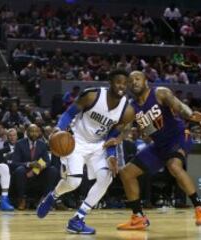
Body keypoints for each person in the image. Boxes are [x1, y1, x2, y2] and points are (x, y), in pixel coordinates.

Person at [36, 69, 135, 234]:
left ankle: (78, 219)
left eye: (125, 84)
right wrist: (58, 128)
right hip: (75, 141)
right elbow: (69, 114)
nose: (122, 86)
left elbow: (113, 136)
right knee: (74, 182)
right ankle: (53, 195)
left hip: (98, 146)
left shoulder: (127, 110)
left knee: (106, 177)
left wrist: (111, 155)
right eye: (118, 82)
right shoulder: (92, 96)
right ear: (110, 82)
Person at [115, 71, 201, 230]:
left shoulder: (160, 93)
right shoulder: (132, 107)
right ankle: (138, 217)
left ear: (146, 81)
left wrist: (190, 115)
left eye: (137, 79)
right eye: (130, 81)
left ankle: (200, 209)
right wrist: (116, 138)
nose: (134, 82)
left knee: (174, 165)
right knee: (126, 173)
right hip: (159, 146)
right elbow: (125, 129)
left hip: (178, 137)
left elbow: (179, 106)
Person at [11, 124, 58, 210]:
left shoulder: (42, 144)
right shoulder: (19, 144)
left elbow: (47, 162)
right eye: (32, 131)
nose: (34, 134)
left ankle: (44, 199)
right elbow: (14, 163)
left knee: (53, 170)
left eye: (36, 131)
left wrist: (40, 167)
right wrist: (29, 164)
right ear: (27, 132)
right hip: (24, 173)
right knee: (19, 170)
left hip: (38, 172)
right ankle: (22, 199)